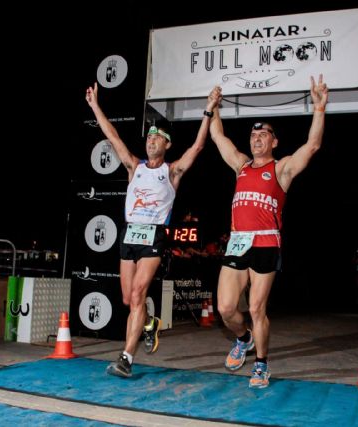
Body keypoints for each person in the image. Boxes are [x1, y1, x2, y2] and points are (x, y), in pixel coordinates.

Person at [85, 82, 219, 378]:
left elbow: (198, 146)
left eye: (158, 137)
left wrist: (209, 111)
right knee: (127, 299)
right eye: (149, 136)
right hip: (129, 233)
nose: (152, 140)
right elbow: (113, 136)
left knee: (137, 294)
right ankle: (149, 324)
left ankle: (126, 359)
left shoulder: (171, 171)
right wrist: (95, 106)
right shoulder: (135, 166)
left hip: (154, 235)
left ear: (167, 144)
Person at [208, 74, 328, 388]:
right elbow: (218, 137)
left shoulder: (281, 169)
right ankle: (243, 338)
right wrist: (214, 108)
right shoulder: (241, 166)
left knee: (257, 307)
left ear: (274, 141)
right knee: (225, 308)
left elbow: (312, 146)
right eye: (253, 134)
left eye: (264, 134)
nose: (257, 138)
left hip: (265, 244)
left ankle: (261, 364)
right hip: (237, 242)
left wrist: (319, 109)